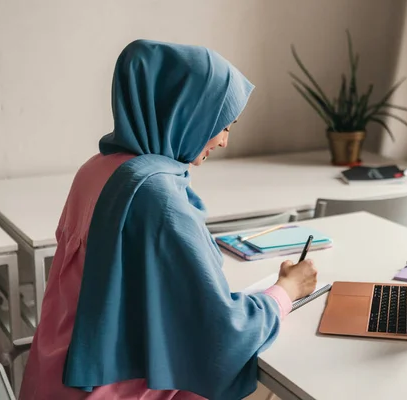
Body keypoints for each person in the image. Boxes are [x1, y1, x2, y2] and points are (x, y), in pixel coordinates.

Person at [19, 39, 318, 400]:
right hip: (111, 390)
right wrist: (285, 291)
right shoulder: (155, 194)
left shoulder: (96, 169)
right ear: (186, 113)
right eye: (223, 124)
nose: (224, 141)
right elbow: (223, 334)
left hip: (52, 376)